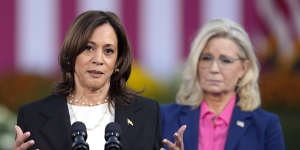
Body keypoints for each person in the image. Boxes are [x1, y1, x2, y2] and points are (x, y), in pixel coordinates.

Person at [12, 10, 162, 150]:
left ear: (117, 62)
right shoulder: (33, 116)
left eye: (108, 51)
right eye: (89, 48)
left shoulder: (148, 114)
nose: (98, 59)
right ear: (71, 54)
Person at [161, 18, 285, 150]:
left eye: (225, 60)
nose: (214, 68)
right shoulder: (163, 117)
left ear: (244, 67)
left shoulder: (266, 126)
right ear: (196, 63)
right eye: (206, 58)